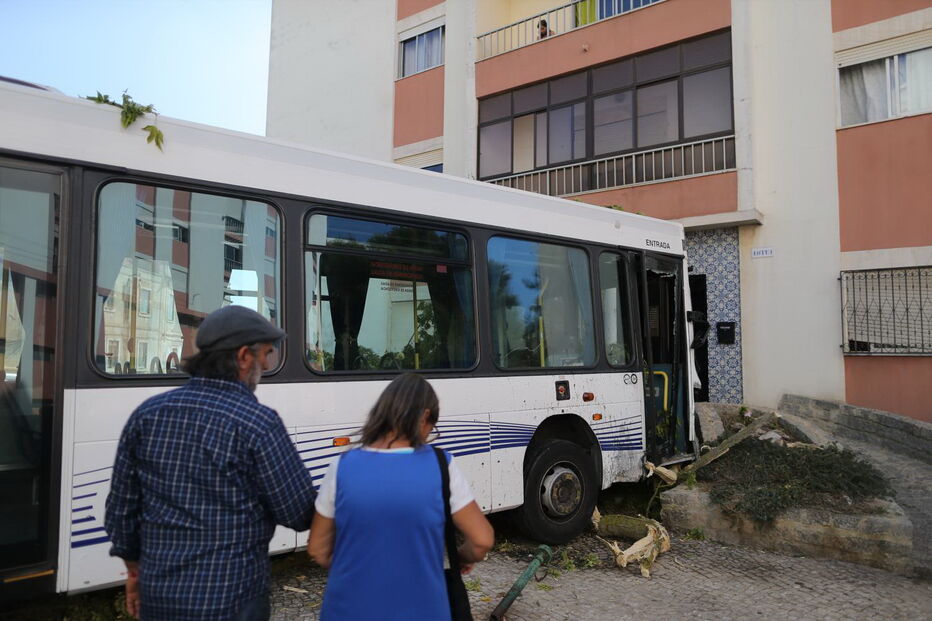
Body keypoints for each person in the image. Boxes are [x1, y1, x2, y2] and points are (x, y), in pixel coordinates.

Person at [105, 305, 317, 620]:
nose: (268, 364)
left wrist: (135, 575)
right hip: (232, 598)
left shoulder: (147, 414)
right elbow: (299, 512)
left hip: (159, 596)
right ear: (244, 356)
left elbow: (121, 513)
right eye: (266, 355)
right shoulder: (258, 423)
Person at [308, 373, 494, 620]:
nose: (429, 435)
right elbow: (482, 540)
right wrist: (460, 557)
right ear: (425, 416)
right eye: (432, 427)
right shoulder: (441, 466)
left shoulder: (342, 466)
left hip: (347, 609)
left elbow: (317, 549)